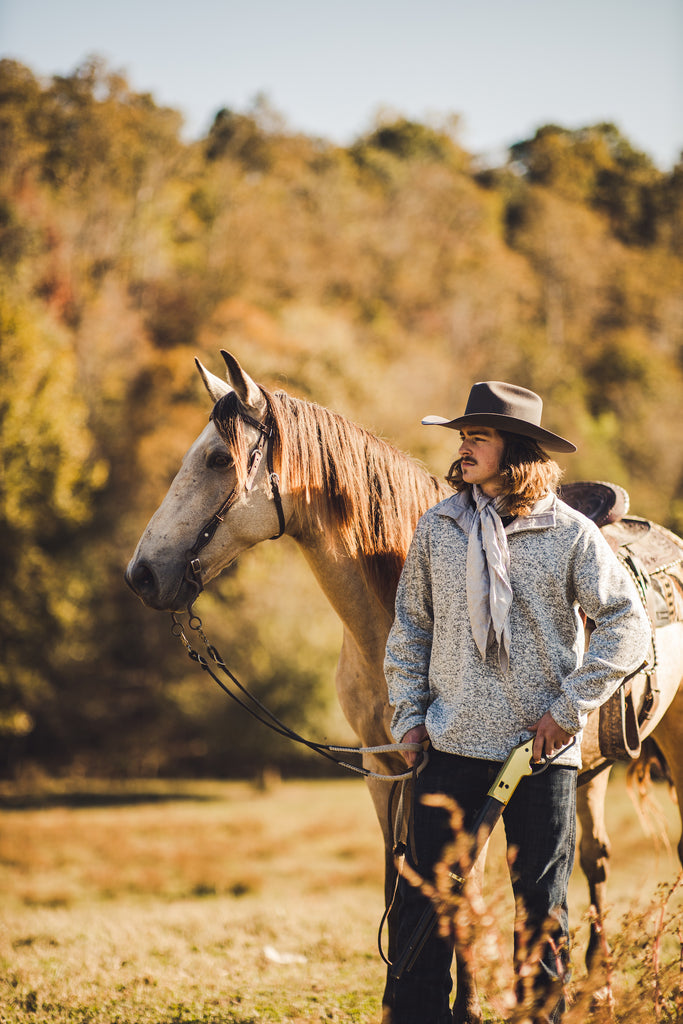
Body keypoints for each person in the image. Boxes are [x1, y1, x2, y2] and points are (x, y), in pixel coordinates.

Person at [384, 381, 651, 1024]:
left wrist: (570, 708)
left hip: (541, 756)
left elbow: (627, 624)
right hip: (449, 750)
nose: (463, 446)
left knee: (542, 911)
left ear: (519, 450)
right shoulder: (439, 528)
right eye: (463, 436)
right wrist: (409, 714)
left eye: (479, 436)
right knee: (425, 907)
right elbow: (411, 627)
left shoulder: (571, 535)